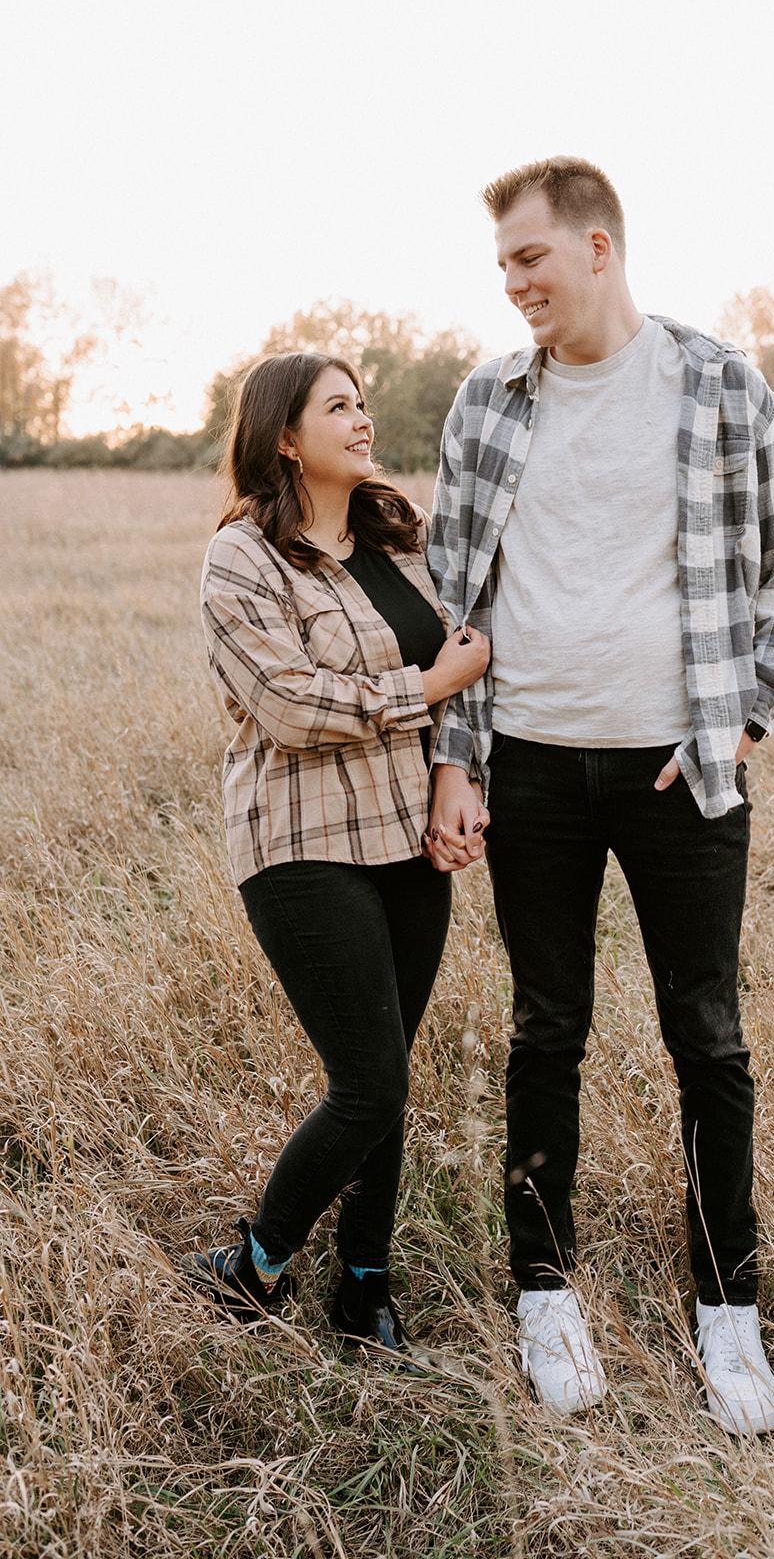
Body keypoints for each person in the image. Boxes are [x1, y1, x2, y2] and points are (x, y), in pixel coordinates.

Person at [425, 158, 774, 1431]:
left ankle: (727, 1308)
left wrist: (744, 718)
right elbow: (451, 591)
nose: (512, 283)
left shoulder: (716, 385)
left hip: (677, 769)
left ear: (597, 247)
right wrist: (456, 757)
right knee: (546, 1030)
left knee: (706, 1037)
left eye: (529, 257)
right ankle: (544, 1293)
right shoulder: (488, 401)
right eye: (501, 265)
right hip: (531, 762)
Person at [183, 351, 489, 1356]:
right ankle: (256, 1263)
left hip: (407, 837)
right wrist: (426, 690)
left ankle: (364, 1289)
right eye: (338, 407)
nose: (363, 420)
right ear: (283, 436)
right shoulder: (243, 558)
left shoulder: (401, 539)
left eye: (364, 403)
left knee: (386, 1071)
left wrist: (455, 773)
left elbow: (475, 654)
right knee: (370, 1083)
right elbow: (288, 703)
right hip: (301, 843)